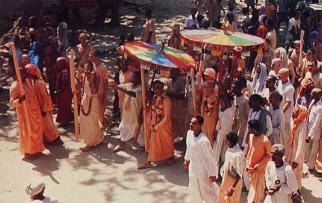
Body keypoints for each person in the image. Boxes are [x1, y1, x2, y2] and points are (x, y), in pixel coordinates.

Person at [138, 80, 174, 169]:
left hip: (163, 125)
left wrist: (157, 127)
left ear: (162, 88)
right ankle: (149, 160)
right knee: (154, 143)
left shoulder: (166, 100)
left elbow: (166, 117)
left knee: (167, 142)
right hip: (155, 124)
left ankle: (170, 156)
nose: (156, 90)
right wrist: (148, 120)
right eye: (154, 87)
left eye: (158, 87)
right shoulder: (154, 98)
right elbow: (151, 110)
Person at [10, 67, 44, 159]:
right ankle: (28, 151)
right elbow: (12, 102)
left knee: (37, 129)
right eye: (22, 74)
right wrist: (20, 100)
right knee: (27, 132)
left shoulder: (28, 81)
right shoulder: (15, 86)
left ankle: (36, 149)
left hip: (34, 111)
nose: (25, 75)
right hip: (25, 114)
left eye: (25, 73)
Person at [183, 115, 219, 203]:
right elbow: (189, 148)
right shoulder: (189, 134)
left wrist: (213, 173)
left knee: (206, 192)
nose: (191, 125)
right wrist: (187, 160)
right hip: (192, 169)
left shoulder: (204, 140)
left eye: (194, 123)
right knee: (193, 191)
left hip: (203, 170)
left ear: (200, 125)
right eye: (191, 122)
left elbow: (211, 158)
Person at [28, 64, 60, 144]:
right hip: (41, 106)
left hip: (43, 107)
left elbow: (44, 96)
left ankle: (55, 138)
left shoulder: (39, 83)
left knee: (48, 123)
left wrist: (43, 109)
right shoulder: (35, 82)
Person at [114, 71, 143, 152]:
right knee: (123, 127)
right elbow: (121, 86)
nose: (132, 78)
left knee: (137, 129)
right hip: (127, 112)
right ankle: (122, 144)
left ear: (140, 79)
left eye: (135, 77)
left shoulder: (141, 88)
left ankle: (141, 144)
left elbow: (133, 94)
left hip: (135, 112)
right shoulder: (130, 85)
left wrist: (121, 89)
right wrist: (116, 86)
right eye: (132, 77)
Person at [79, 62, 104, 152]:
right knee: (85, 121)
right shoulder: (84, 76)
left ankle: (91, 143)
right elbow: (82, 88)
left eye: (88, 71)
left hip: (93, 100)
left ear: (92, 70)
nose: (86, 73)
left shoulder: (96, 77)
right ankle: (95, 138)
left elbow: (94, 92)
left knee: (92, 121)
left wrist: (91, 81)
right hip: (85, 100)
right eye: (85, 71)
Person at [245, 119, 272, 203]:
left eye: (249, 128)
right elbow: (249, 150)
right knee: (251, 193)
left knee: (257, 196)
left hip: (259, 171)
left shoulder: (265, 140)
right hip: (250, 169)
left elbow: (269, 156)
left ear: (254, 129)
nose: (248, 130)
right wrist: (247, 162)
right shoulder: (250, 136)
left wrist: (258, 165)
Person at [218, 132, 246, 203]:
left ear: (229, 142)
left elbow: (239, 174)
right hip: (226, 180)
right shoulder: (229, 151)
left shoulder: (238, 155)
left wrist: (232, 188)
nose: (225, 142)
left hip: (234, 183)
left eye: (226, 140)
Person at [285, 105, 308, 189]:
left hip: (297, 153)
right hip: (290, 150)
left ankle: (296, 189)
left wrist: (296, 160)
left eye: (296, 111)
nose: (293, 112)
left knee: (296, 171)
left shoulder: (302, 126)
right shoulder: (293, 121)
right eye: (294, 110)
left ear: (301, 113)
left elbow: (301, 144)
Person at [89, 49, 109, 127]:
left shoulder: (102, 67)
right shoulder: (93, 65)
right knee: (96, 108)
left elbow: (106, 82)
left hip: (101, 91)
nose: (90, 58)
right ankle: (108, 122)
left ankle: (101, 125)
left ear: (97, 57)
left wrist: (105, 94)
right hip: (94, 91)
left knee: (100, 108)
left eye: (92, 57)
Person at [214, 93, 235, 164]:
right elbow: (219, 124)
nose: (221, 103)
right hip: (221, 134)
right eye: (220, 102)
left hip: (228, 134)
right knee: (217, 152)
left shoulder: (231, 110)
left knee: (226, 152)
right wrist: (216, 131)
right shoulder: (221, 111)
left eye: (223, 101)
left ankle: (226, 169)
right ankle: (216, 171)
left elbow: (227, 101)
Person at [167, 69, 186, 138]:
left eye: (173, 73)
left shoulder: (180, 82)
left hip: (177, 107)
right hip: (170, 106)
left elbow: (182, 96)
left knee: (176, 123)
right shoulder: (169, 82)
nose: (172, 74)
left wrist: (171, 94)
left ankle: (173, 138)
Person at [306, 88, 322, 172]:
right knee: (308, 148)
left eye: (313, 93)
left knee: (313, 150)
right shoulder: (312, 102)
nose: (311, 94)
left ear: (318, 95)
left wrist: (310, 133)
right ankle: (309, 163)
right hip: (308, 129)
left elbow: (316, 122)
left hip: (315, 132)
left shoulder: (320, 107)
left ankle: (311, 167)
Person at [200, 78, 219, 147]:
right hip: (204, 122)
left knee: (209, 140)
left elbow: (209, 113)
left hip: (210, 123)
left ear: (210, 88)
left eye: (205, 87)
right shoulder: (206, 96)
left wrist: (205, 104)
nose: (204, 89)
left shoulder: (213, 98)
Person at [55, 57, 74, 125]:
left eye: (59, 63)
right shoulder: (60, 70)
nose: (58, 64)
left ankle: (65, 120)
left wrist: (60, 90)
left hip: (65, 92)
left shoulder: (64, 72)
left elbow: (64, 83)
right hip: (62, 91)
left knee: (64, 106)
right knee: (62, 106)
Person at [230, 78, 249, 146]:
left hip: (242, 124)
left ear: (239, 88)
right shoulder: (234, 98)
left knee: (240, 141)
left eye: (234, 88)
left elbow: (248, 114)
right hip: (235, 123)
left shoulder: (245, 99)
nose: (232, 89)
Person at [278, 68, 295, 146]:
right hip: (278, 111)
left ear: (286, 75)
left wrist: (281, 113)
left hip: (285, 115)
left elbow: (288, 103)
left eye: (280, 74)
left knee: (285, 136)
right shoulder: (280, 83)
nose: (279, 75)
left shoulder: (289, 88)